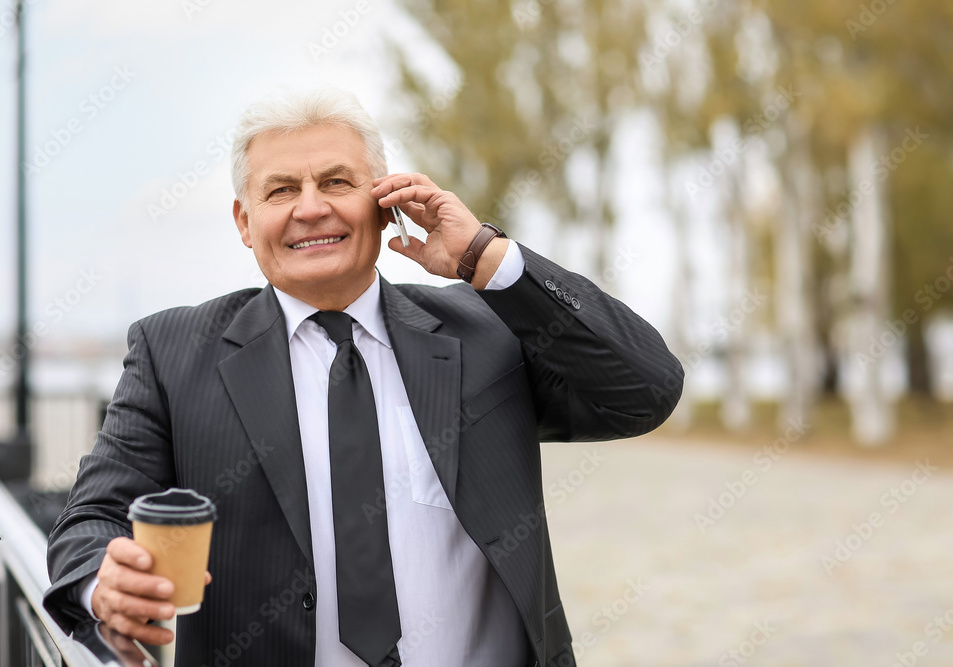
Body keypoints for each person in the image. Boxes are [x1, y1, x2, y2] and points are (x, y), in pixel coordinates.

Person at [44, 87, 684, 667]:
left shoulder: (487, 331)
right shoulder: (172, 351)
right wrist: (105, 582)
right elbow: (91, 516)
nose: (311, 208)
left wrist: (483, 255)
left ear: (385, 203)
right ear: (244, 222)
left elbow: (644, 389)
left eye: (337, 182)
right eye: (281, 190)